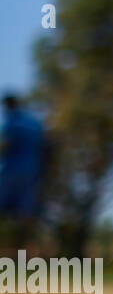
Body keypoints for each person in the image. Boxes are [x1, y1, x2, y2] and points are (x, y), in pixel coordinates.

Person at [0, 92, 48, 253]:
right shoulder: (34, 123)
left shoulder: (11, 122)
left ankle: (8, 251)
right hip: (32, 173)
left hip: (10, 171)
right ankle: (28, 254)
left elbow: (6, 145)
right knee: (26, 215)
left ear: (8, 105)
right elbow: (46, 148)